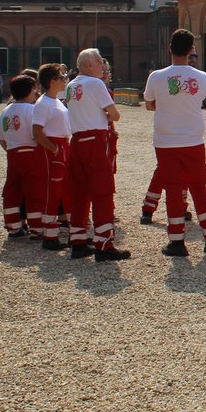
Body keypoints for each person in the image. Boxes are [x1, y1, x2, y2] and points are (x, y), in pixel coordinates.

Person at [144, 29, 206, 256]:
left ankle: (177, 240)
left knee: (173, 190)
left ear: (170, 48)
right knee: (199, 187)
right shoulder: (202, 77)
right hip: (192, 139)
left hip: (165, 139)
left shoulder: (156, 76)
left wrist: (167, 105)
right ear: (191, 50)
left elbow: (149, 104)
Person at [64, 48, 130, 261]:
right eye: (100, 63)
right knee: (102, 192)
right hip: (95, 140)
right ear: (89, 65)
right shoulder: (96, 84)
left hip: (77, 140)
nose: (103, 66)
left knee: (79, 192)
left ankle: (78, 241)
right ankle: (104, 243)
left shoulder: (71, 86)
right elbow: (115, 115)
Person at [32, 63, 72, 251]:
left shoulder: (56, 101)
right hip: (52, 148)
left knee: (63, 189)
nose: (65, 80)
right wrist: (55, 150)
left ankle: (70, 231)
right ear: (52, 81)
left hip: (61, 146)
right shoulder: (43, 103)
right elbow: (37, 132)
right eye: (61, 78)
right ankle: (49, 235)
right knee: (51, 191)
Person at [0, 74, 41, 239]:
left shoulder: (6, 111)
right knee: (33, 190)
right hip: (30, 152)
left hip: (13, 153)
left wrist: (11, 148)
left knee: (12, 190)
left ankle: (13, 226)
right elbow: (37, 134)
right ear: (30, 90)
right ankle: (36, 226)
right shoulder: (32, 109)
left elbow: (1, 137)